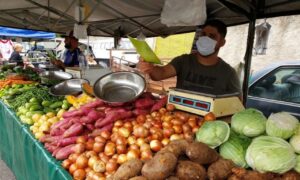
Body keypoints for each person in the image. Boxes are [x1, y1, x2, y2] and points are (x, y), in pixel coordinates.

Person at [138, 19, 242, 97]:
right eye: (203, 34)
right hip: (180, 121)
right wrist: (150, 68)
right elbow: (160, 74)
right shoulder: (183, 61)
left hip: (210, 123)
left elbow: (238, 102)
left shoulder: (228, 73)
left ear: (222, 42)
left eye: (212, 36)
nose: (205, 39)